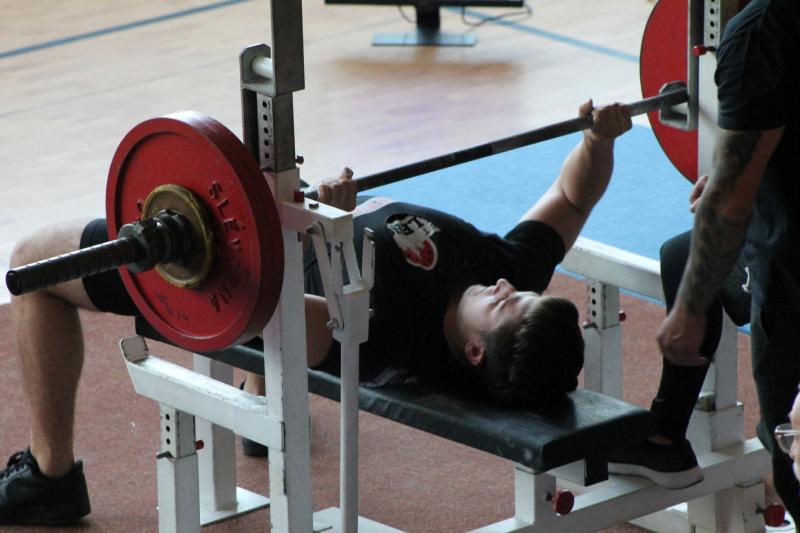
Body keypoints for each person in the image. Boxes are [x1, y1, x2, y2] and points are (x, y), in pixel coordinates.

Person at [0, 100, 632, 525]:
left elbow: (262, 311)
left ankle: (49, 476)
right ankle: (258, 393)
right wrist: (597, 139)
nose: (505, 284)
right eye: (521, 291)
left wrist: (318, 226)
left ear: (474, 351)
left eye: (508, 302)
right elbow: (572, 197)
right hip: (283, 242)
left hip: (247, 267)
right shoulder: (506, 272)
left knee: (34, 263)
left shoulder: (381, 339)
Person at [608, 0, 800, 522]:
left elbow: (731, 203)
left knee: (790, 445)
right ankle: (666, 435)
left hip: (792, 273)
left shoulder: (760, 33)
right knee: (681, 252)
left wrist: (689, 310)